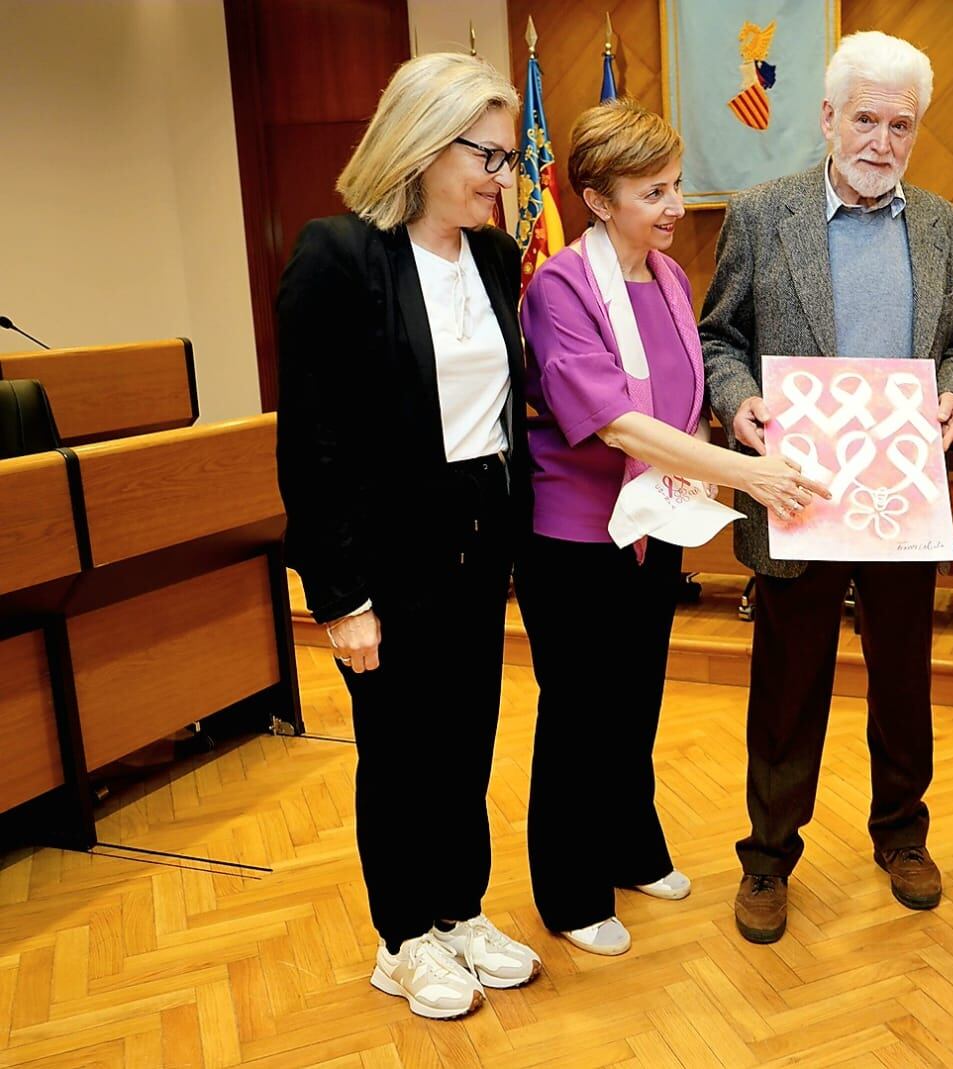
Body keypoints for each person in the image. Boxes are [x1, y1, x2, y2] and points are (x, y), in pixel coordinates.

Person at [517, 100, 828, 957]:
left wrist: (744, 429)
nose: (675, 207)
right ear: (597, 198)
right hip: (576, 536)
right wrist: (747, 473)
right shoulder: (560, 288)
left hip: (652, 526)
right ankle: (570, 890)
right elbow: (616, 423)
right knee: (579, 713)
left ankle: (629, 846)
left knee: (635, 700)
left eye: (676, 185)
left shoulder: (669, 277)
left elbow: (681, 403)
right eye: (652, 191)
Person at [700, 30, 953, 944]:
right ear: (827, 117)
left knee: (904, 679)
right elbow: (718, 338)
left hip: (900, 500)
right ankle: (768, 855)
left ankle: (903, 833)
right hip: (798, 494)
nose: (881, 141)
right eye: (865, 119)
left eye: (901, 125)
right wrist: (738, 404)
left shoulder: (949, 228)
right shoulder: (760, 215)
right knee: (788, 687)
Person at [276, 52, 540, 1020]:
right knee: (397, 750)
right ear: (425, 145)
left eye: (509, 159)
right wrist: (339, 595)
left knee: (466, 737)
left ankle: (458, 909)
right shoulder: (339, 256)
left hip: (480, 535)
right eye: (488, 156)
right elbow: (312, 441)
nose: (503, 177)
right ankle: (402, 938)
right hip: (388, 550)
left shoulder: (495, 258)